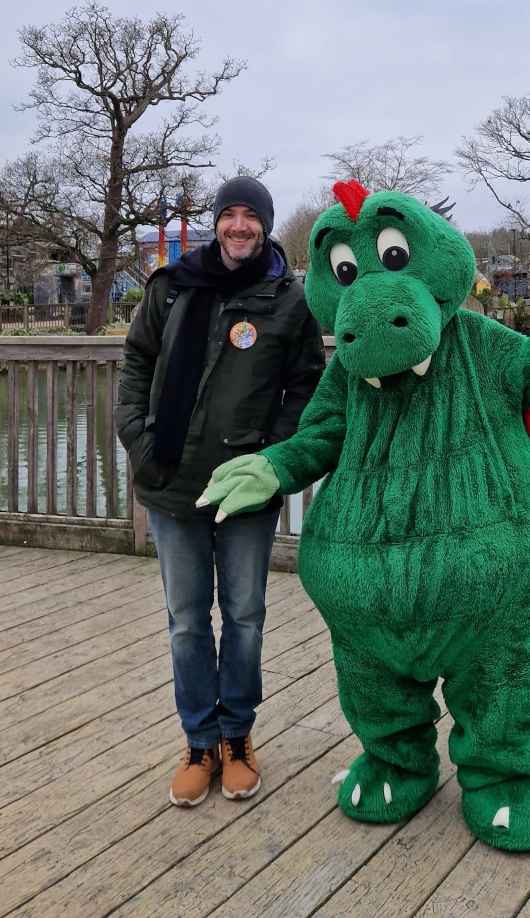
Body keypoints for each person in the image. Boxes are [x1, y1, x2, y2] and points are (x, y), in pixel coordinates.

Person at [115, 177, 325, 807]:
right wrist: (140, 439)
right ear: (217, 223)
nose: (239, 226)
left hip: (245, 491)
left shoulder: (290, 300)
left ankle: (238, 736)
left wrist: (270, 459)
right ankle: (198, 741)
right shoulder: (171, 287)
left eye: (250, 217)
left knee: (245, 618)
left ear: (265, 225)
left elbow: (305, 388)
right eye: (228, 215)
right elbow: (136, 366)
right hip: (171, 482)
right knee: (185, 622)